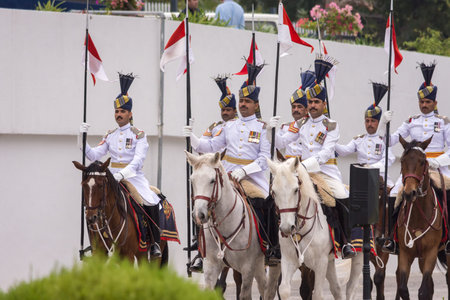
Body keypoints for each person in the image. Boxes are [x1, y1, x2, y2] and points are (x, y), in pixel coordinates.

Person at [183, 62, 281, 263]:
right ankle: (202, 248)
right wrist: (192, 136)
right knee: (204, 200)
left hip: (253, 179)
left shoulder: (262, 127)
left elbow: (264, 159)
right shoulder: (229, 126)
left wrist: (245, 171)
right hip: (227, 175)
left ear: (256, 105)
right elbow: (210, 146)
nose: (243, 104)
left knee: (264, 204)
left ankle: (270, 246)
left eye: (247, 101)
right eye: (241, 101)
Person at [269, 55, 356, 259]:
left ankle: (345, 242)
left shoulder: (331, 125)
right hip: (304, 173)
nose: (312, 105)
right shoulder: (301, 124)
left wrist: (302, 167)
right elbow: (281, 143)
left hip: (325, 173)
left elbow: (326, 153)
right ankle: (277, 242)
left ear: (324, 104)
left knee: (342, 197)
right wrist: (271, 131)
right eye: (310, 102)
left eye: (316, 102)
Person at [79, 73, 161, 257]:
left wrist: (122, 175)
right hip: (110, 177)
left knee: (150, 200)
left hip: (133, 178)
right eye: (116, 112)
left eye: (122, 112)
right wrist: (81, 138)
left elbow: (138, 160)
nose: (119, 115)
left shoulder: (138, 134)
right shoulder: (110, 135)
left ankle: (154, 243)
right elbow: (93, 154)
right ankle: (94, 245)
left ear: (130, 114)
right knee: (92, 205)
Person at [380, 62, 450, 254]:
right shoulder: (411, 121)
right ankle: (391, 237)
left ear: (434, 103)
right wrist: (383, 125)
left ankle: (449, 237)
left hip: (437, 168)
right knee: (393, 194)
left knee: (448, 195)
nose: (424, 105)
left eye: (428, 102)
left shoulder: (443, 122)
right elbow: (390, 140)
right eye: (422, 102)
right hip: (414, 170)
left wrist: (437, 161)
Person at [186, 75, 238, 273]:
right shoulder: (214, 128)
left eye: (228, 110)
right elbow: (203, 149)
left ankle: (266, 244)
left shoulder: (238, 128)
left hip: (234, 174)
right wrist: (190, 134)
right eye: (223, 109)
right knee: (200, 204)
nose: (225, 113)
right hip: (213, 177)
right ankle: (200, 249)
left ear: (235, 110)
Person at [335, 82, 395, 186]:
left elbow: (389, 159)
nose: (370, 124)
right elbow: (344, 151)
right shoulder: (359, 140)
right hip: (362, 178)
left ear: (379, 122)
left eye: (373, 121)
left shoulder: (384, 139)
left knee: (393, 196)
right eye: (367, 121)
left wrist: (371, 168)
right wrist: (331, 142)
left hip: (380, 179)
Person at [271, 70, 316, 158]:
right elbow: (278, 144)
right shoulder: (286, 127)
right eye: (293, 107)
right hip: (289, 168)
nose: (296, 110)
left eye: (299, 107)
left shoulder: (313, 126)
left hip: (306, 167)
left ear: (307, 109)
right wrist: (271, 130)